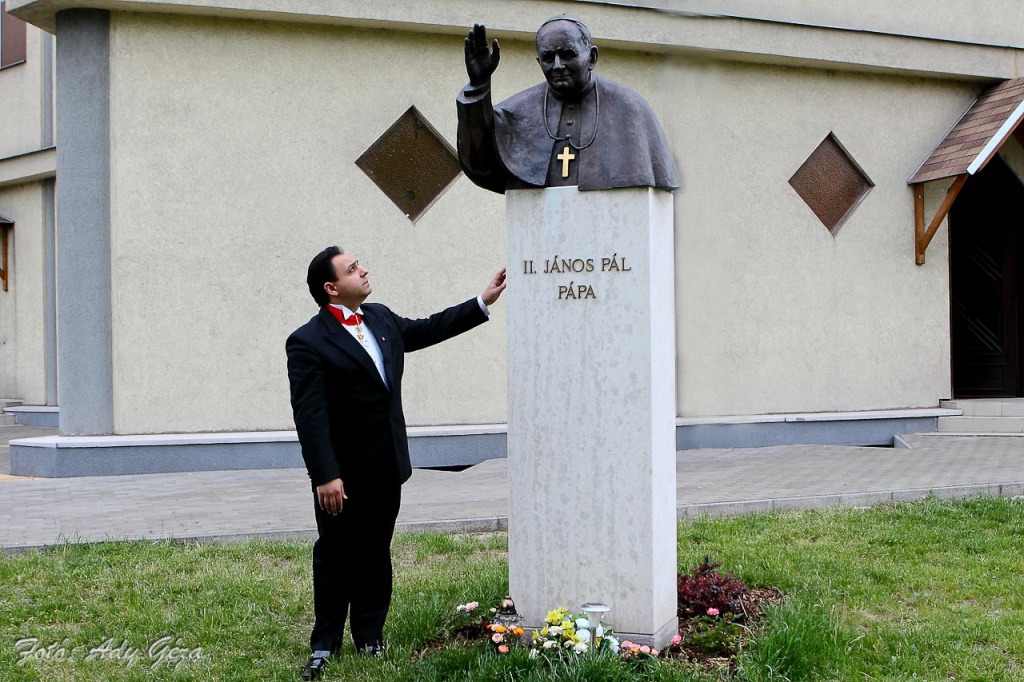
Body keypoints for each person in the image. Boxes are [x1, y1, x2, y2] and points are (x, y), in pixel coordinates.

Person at [286, 246, 506, 680]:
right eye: (352, 269)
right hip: (341, 476)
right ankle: (324, 643)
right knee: (335, 556)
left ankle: (370, 636)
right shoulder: (307, 341)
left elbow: (427, 329)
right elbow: (310, 416)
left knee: (375, 552)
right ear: (331, 288)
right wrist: (325, 475)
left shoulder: (380, 318)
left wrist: (481, 302)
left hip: (386, 464)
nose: (363, 269)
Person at [456, 15, 679, 194]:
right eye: (548, 57)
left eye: (567, 54)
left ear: (592, 57)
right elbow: (482, 162)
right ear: (539, 61)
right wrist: (479, 86)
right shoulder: (518, 110)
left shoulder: (630, 108)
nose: (557, 65)